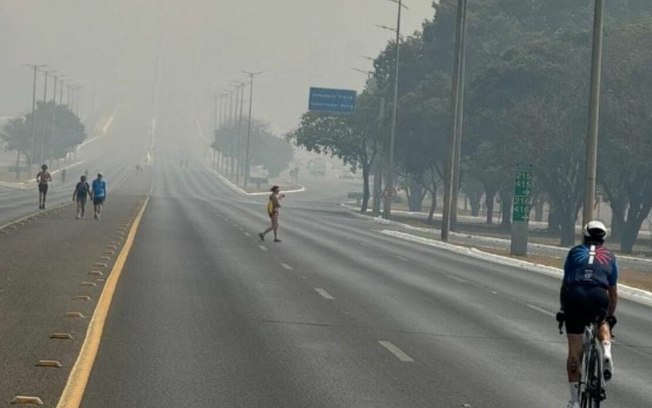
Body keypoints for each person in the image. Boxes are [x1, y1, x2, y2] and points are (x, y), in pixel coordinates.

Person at [557, 220, 618, 408]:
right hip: (598, 296)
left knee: (574, 351)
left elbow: (565, 284)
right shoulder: (610, 256)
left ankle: (575, 401)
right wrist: (610, 315)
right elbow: (613, 292)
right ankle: (606, 349)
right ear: (604, 238)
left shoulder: (574, 252)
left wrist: (563, 308)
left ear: (584, 235)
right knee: (602, 322)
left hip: (574, 296)